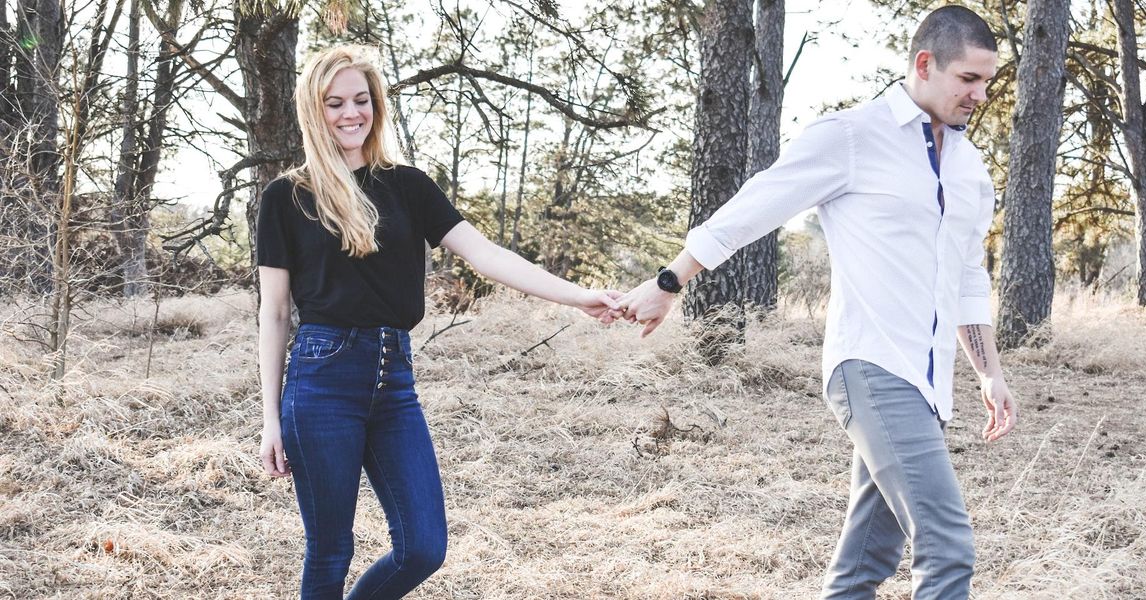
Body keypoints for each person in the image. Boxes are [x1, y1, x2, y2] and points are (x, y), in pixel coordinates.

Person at [617, 6, 1018, 598]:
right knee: (947, 546)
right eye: (968, 79)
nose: (981, 94)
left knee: (866, 561)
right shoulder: (853, 136)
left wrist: (989, 372)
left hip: (930, 383)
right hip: (871, 368)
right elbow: (756, 206)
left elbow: (965, 278)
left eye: (987, 81)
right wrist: (669, 281)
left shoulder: (971, 169)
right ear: (925, 64)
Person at [255, 46, 620, 599]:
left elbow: (487, 254)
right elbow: (275, 312)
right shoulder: (286, 197)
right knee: (330, 549)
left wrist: (579, 296)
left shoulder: (407, 186)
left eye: (362, 100)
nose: (352, 113)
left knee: (423, 547)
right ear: (314, 110)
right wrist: (270, 418)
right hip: (321, 380)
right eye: (335, 103)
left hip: (393, 380)